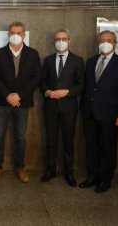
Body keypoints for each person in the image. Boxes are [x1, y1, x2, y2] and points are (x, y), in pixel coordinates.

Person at [80, 30, 118, 193]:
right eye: (102, 40)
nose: (105, 43)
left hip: (111, 114)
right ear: (98, 43)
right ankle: (92, 176)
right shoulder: (91, 61)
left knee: (108, 148)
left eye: (109, 40)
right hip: (90, 113)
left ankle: (105, 179)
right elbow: (89, 87)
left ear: (115, 43)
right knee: (91, 147)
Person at [0, 21, 41, 183]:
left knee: (20, 137)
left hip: (22, 103)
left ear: (24, 35)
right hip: (2, 102)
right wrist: (7, 96)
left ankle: (20, 167)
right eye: (12, 32)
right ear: (8, 35)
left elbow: (36, 78)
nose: (15, 35)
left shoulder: (32, 53)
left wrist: (19, 96)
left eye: (19, 33)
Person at [40, 29, 84, 187]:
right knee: (51, 140)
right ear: (54, 42)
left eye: (63, 38)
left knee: (68, 140)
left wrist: (68, 91)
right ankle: (50, 170)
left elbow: (81, 84)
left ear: (69, 40)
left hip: (69, 107)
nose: (60, 41)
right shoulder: (48, 60)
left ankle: (68, 172)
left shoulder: (78, 60)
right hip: (50, 106)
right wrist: (47, 91)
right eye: (57, 39)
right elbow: (42, 81)